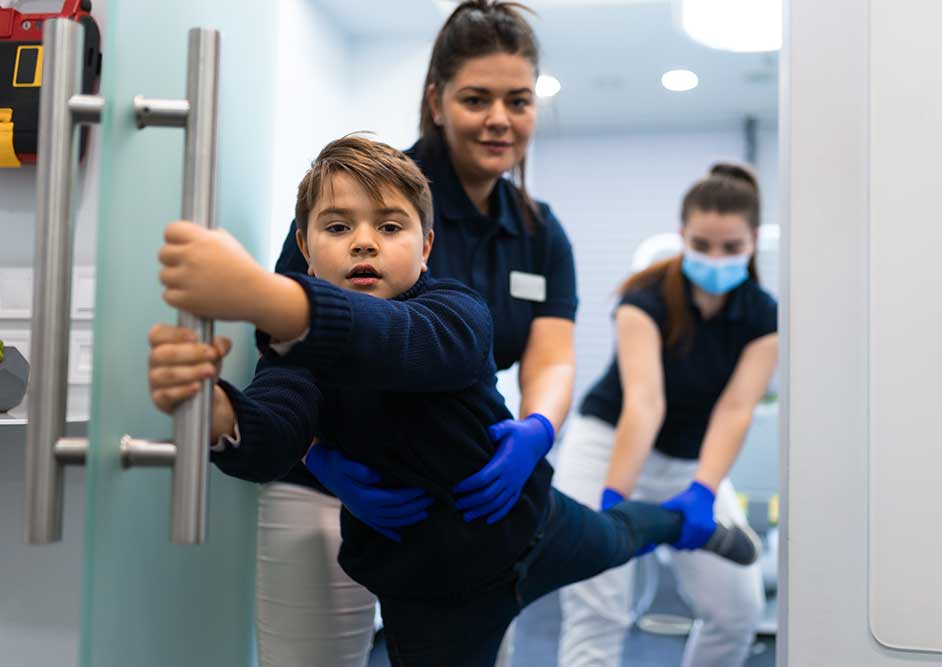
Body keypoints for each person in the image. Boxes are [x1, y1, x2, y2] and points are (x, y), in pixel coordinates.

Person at [146, 136, 759, 667]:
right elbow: (272, 432)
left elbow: (402, 343)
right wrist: (217, 413)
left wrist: (265, 296)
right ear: (303, 249)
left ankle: (686, 524)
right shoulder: (296, 357)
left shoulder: (455, 311)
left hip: (536, 525)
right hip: (434, 591)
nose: (364, 242)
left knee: (620, 534)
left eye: (389, 227)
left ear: (426, 246)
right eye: (338, 227)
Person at [269, 2, 577, 664]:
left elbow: (551, 359)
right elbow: (281, 348)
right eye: (477, 98)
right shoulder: (364, 199)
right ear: (436, 101)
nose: (500, 118)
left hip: (463, 489)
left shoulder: (539, 231)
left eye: (518, 100)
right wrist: (320, 456)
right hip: (328, 482)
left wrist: (536, 433)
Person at [554, 164, 779, 667]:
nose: (715, 258)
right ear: (682, 235)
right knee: (598, 609)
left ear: (753, 241)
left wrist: (703, 490)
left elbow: (736, 408)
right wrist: (614, 502)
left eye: (730, 247)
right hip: (609, 448)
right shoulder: (645, 299)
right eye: (701, 244)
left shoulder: (764, 316)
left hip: (692, 459)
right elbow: (645, 403)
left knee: (737, 611)